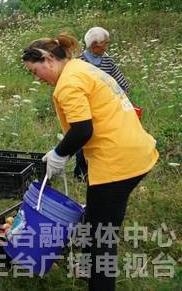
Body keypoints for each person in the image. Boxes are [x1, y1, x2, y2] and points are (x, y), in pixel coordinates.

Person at [22, 34, 158, 291]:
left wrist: (59, 154)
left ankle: (100, 283)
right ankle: (85, 265)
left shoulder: (68, 83)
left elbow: (83, 130)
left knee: (102, 238)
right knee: (96, 214)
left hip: (118, 162)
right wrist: (63, 152)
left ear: (48, 59)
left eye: (35, 71)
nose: (36, 78)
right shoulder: (82, 68)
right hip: (133, 150)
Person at [74, 26, 130, 179]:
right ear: (93, 45)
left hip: (105, 109)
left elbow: (122, 84)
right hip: (84, 108)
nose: (107, 46)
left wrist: (120, 100)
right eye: (104, 43)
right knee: (82, 138)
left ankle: (102, 171)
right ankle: (81, 172)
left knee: (103, 140)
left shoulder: (108, 60)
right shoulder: (79, 62)